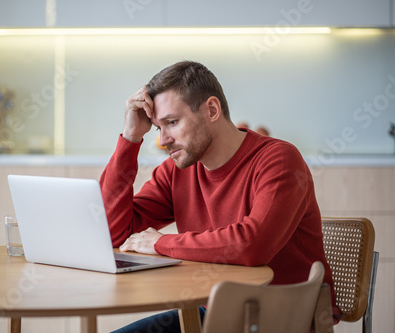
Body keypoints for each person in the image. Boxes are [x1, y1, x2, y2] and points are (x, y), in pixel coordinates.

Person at [99, 61, 340, 332]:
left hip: (283, 318)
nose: (163, 140)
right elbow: (111, 233)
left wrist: (161, 243)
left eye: (172, 123)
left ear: (212, 110)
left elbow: (253, 244)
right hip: (211, 311)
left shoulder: (279, 160)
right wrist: (131, 138)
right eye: (158, 128)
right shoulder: (176, 171)